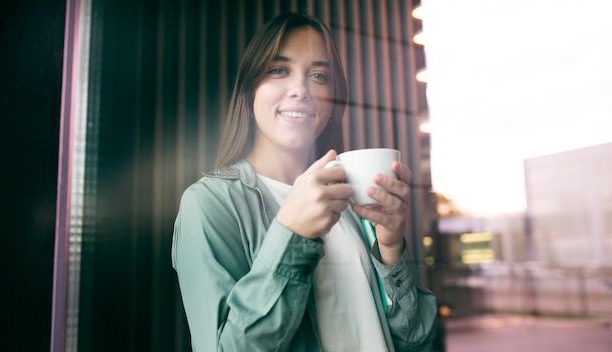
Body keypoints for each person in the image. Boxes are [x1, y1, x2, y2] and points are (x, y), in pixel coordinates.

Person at [172, 12, 437, 351]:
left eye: (319, 75)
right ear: (250, 86)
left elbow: (415, 340)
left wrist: (390, 249)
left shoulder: (351, 196)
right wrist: (292, 235)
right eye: (279, 70)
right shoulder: (210, 202)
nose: (302, 90)